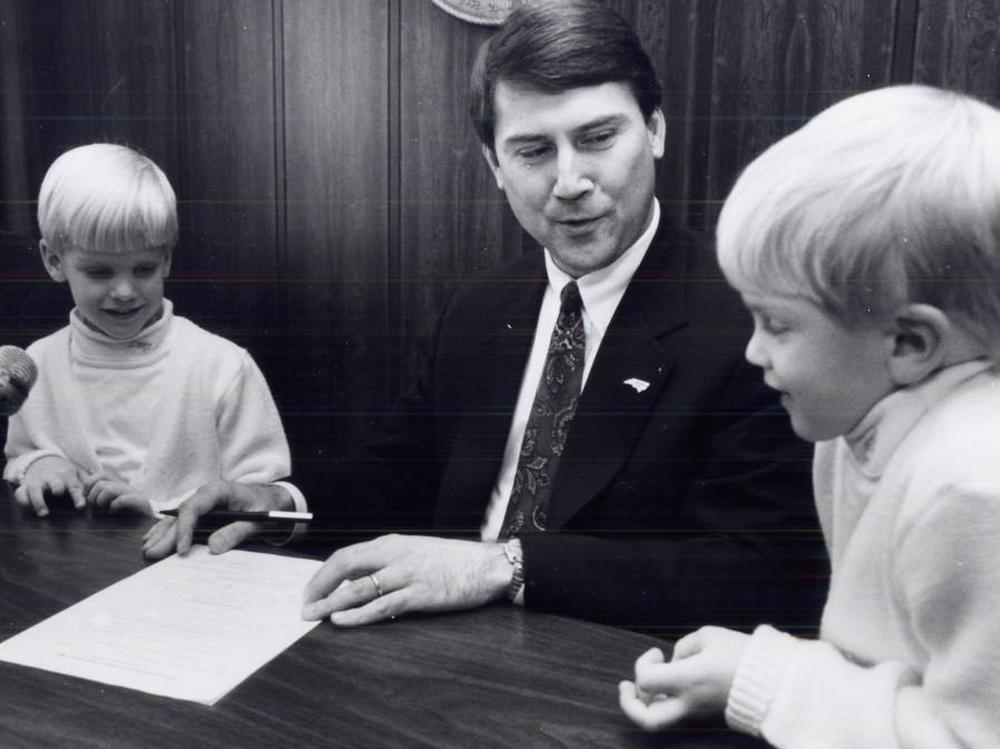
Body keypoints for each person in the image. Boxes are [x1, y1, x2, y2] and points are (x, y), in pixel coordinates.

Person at [146, 0, 818, 634]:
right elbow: (399, 473)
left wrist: (505, 566)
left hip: (615, 680)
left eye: (597, 137)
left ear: (656, 131)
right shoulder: (478, 308)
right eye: (533, 151)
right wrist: (278, 502)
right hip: (445, 660)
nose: (570, 180)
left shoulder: (748, 324)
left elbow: (754, 574)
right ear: (496, 166)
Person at [618, 85, 1000, 749]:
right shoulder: (860, 431)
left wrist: (765, 683)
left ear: (908, 343)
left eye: (777, 324)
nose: (752, 352)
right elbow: (907, 673)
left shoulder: (988, 486)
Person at [4, 143, 292, 517]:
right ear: (54, 261)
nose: (124, 292)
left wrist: (161, 512)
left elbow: (262, 497)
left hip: (192, 565)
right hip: (73, 570)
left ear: (167, 260)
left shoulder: (223, 366)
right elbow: (20, 455)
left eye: (144, 269)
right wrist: (39, 464)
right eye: (99, 272)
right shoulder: (36, 362)